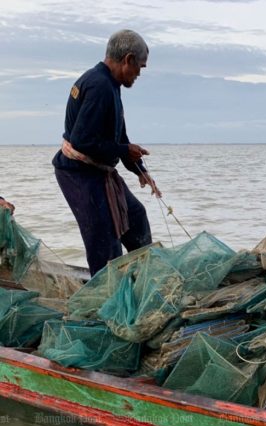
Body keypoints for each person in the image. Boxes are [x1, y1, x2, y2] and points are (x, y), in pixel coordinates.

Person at [52, 29, 161, 276]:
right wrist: (125, 149)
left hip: (99, 170)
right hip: (79, 174)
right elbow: (82, 142)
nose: (139, 73)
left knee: (136, 216)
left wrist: (139, 170)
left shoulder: (111, 83)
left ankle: (144, 280)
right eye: (140, 67)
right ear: (128, 59)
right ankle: (107, 301)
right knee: (105, 243)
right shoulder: (99, 85)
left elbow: (118, 134)